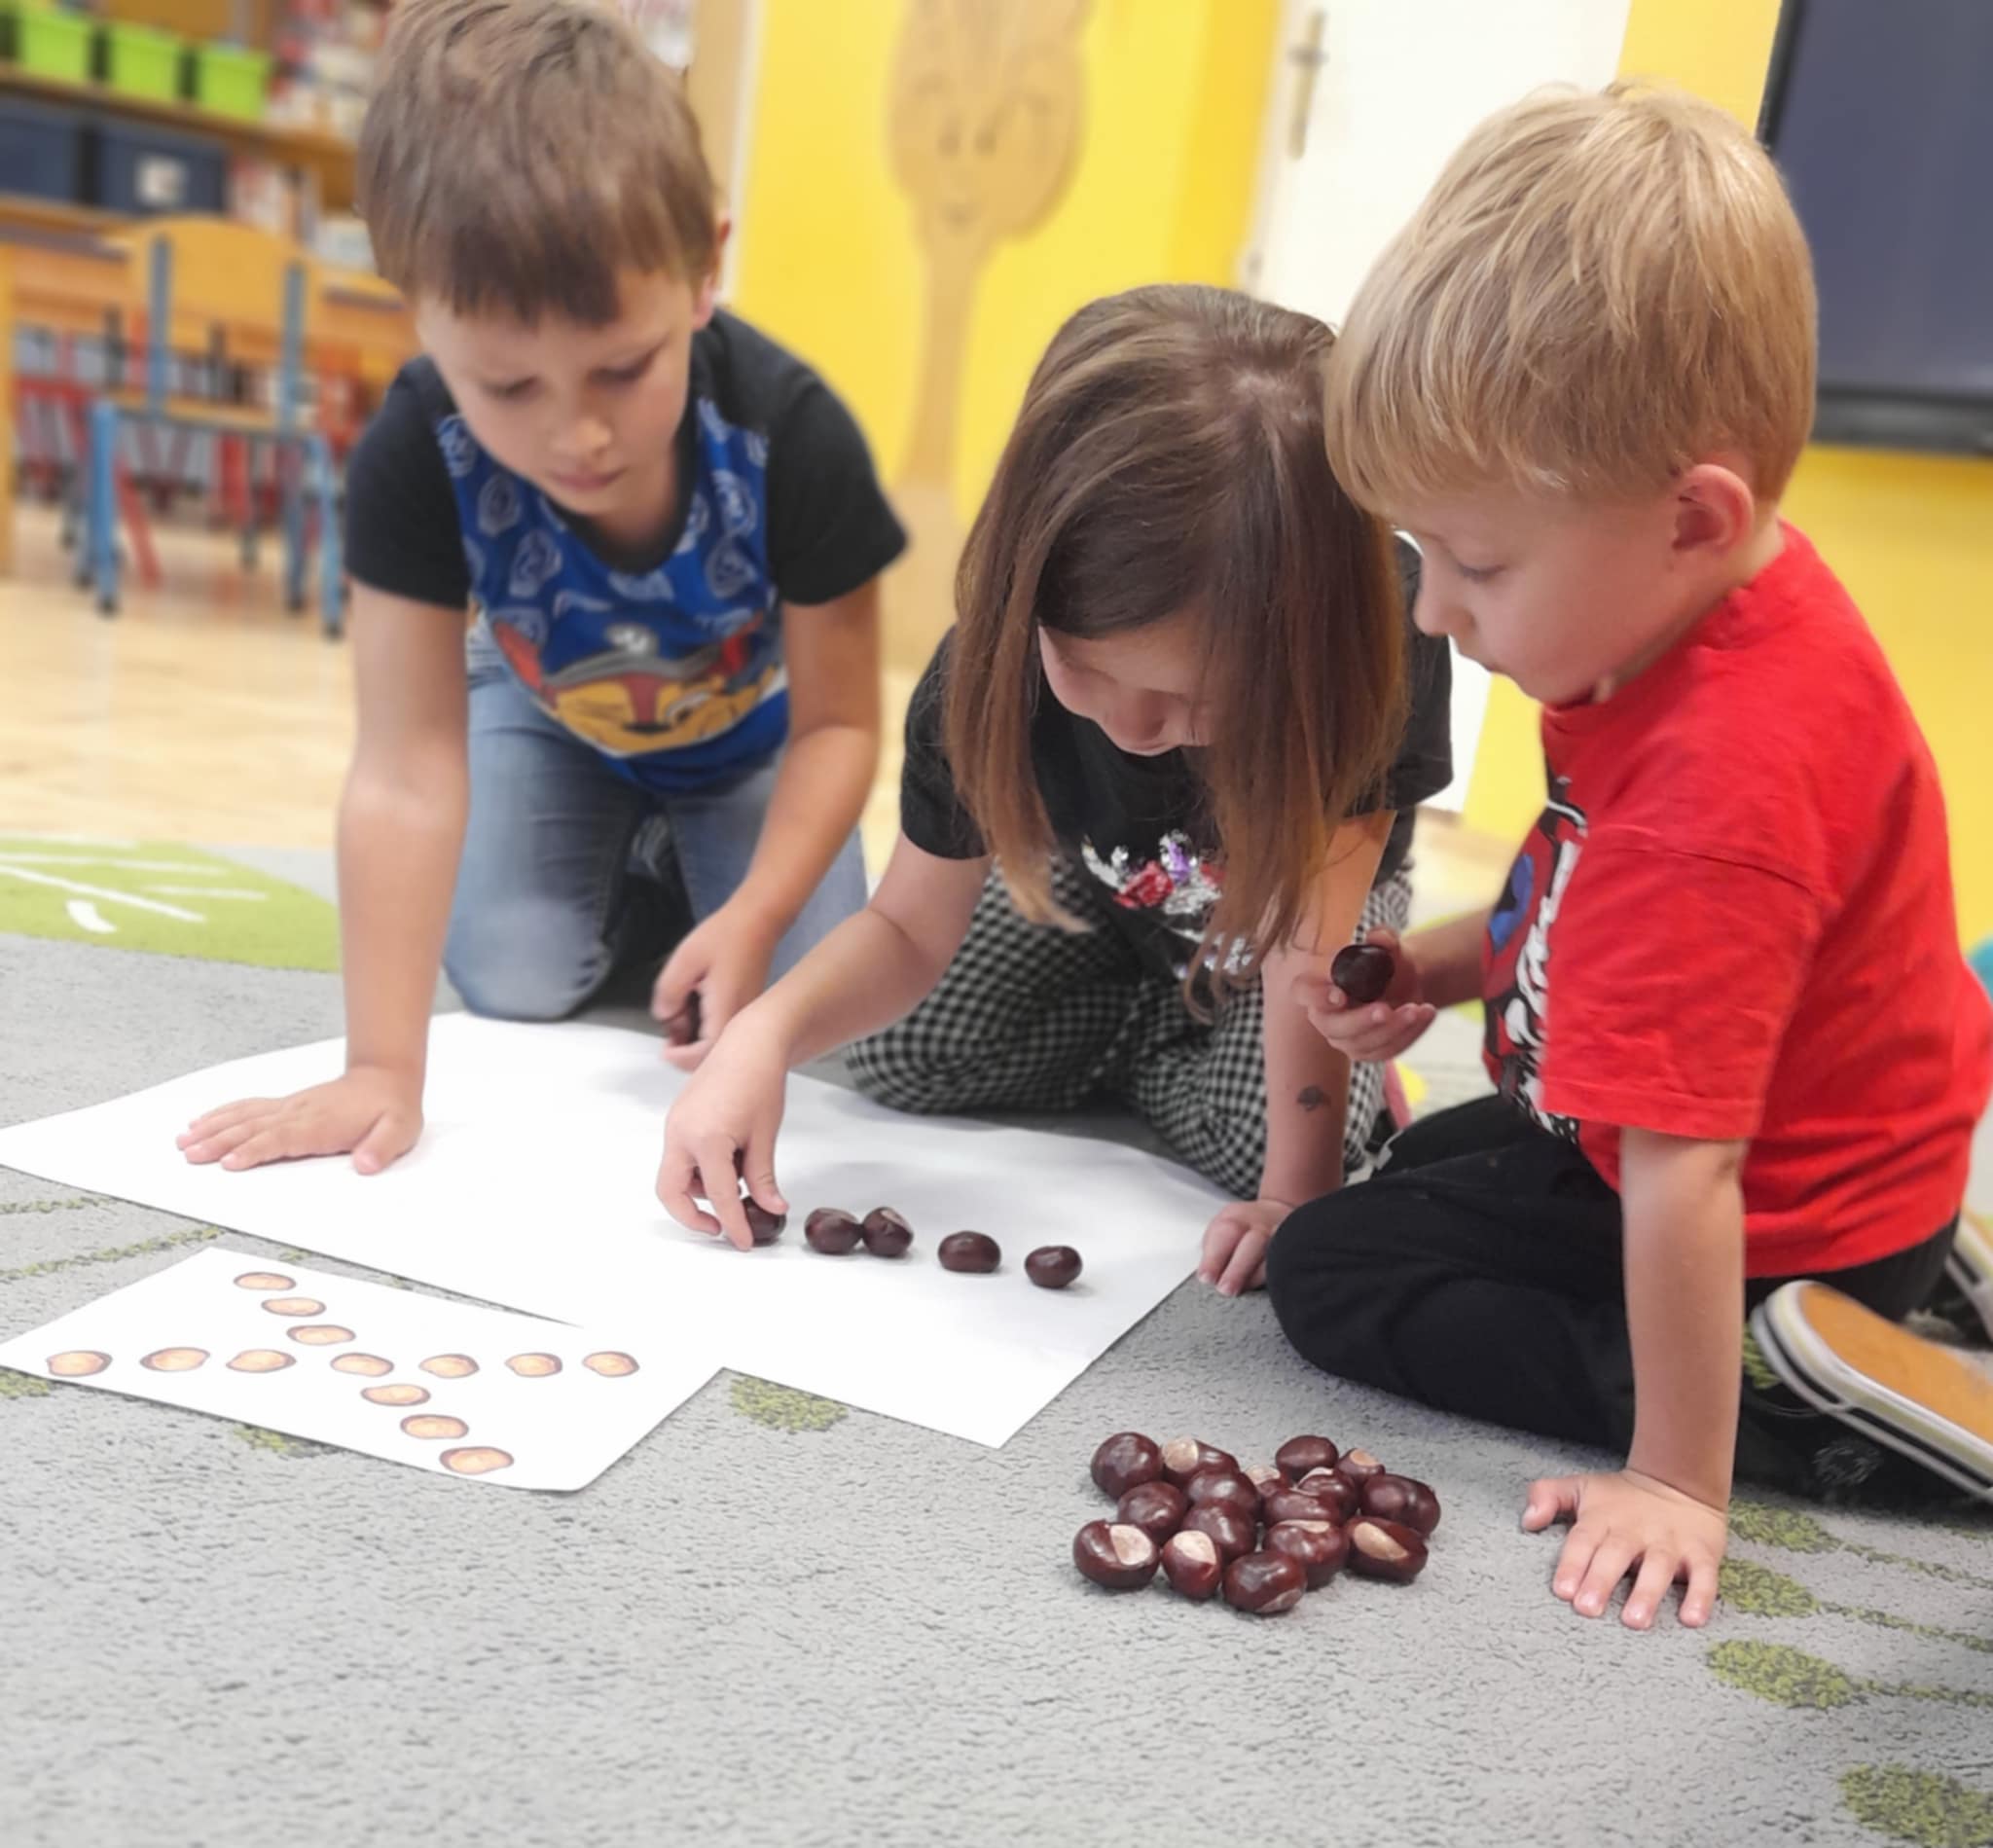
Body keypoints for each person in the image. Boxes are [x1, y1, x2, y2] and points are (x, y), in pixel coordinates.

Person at [1268, 83, 1993, 1631]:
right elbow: (1579, 884)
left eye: (1475, 563)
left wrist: (1674, 1476)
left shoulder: (1713, 794)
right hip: (1854, 1149)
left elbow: (1684, 1170)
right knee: (1439, 1161)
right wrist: (1442, 961)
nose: (1433, 613)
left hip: (1774, 1212)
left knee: (1336, 1268)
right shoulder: (1690, 611)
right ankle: (1903, 1261)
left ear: (1692, 515)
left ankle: (1810, 1381)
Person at [179, 0, 903, 1176]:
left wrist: (759, 909)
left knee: (819, 1009)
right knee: (509, 976)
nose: (578, 435)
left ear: (704, 267)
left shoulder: (795, 436)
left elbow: (838, 727)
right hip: (545, 717)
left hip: (748, 743)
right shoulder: (415, 449)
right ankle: (639, 870)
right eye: (508, 387)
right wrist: (380, 1067)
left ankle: (686, 873)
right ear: (417, 313)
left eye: (622, 368)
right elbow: (404, 769)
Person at [658, 284, 1451, 1289]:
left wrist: (1292, 1196)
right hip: (1103, 883)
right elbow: (906, 928)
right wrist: (761, 1035)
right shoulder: (985, 662)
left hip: (1285, 913)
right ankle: (1174, 1027)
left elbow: (1307, 948)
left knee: (1283, 1147)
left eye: (1194, 698)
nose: (1133, 727)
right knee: (906, 1052)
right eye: (1083, 667)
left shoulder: (1380, 629)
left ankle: (1207, 1035)